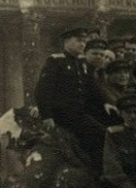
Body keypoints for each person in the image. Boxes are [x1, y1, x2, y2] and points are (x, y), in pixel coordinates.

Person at [34, 26, 106, 172]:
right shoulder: (56, 61)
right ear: (66, 41)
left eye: (84, 41)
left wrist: (105, 104)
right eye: (79, 40)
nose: (82, 44)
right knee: (99, 133)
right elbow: (43, 90)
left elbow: (92, 89)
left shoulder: (81, 63)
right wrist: (47, 116)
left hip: (78, 113)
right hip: (62, 114)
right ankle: (96, 172)